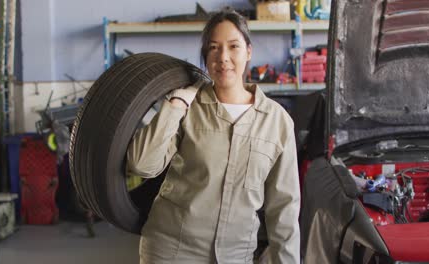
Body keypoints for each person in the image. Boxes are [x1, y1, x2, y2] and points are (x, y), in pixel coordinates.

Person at [127, 9, 300, 264]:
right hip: (172, 251)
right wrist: (174, 105)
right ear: (206, 55)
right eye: (214, 48)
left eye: (233, 46)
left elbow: (284, 209)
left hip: (235, 256)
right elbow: (141, 164)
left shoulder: (277, 122)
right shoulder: (188, 108)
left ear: (248, 51)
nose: (223, 58)